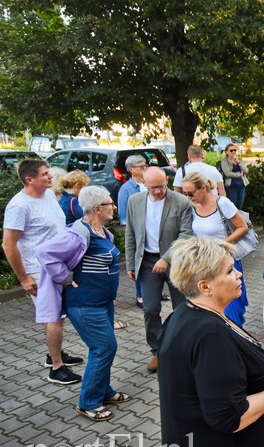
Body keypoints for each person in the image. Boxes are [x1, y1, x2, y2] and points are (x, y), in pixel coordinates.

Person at [158, 237, 264, 447]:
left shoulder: (185, 314)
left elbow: (215, 376)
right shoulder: (210, 334)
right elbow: (230, 417)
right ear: (204, 286)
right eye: (230, 271)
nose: (240, 273)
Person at [36, 186, 130, 421]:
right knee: (104, 348)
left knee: (105, 349)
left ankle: (104, 391)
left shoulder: (102, 232)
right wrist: (66, 278)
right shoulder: (78, 233)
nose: (114, 207)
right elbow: (45, 253)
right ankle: (88, 402)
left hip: (103, 302)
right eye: (110, 203)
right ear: (97, 209)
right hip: (85, 305)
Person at [2, 159, 82, 385]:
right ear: (30, 180)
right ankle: (57, 368)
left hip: (58, 266)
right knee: (53, 317)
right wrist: (24, 278)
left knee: (58, 316)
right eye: (45, 174)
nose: (50, 176)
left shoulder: (47, 195)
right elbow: (9, 245)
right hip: (39, 270)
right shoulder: (19, 206)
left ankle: (54, 354)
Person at [125, 167, 194, 373]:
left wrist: (166, 257)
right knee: (151, 309)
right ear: (144, 184)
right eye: (153, 187)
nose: (158, 191)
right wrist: (130, 263)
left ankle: (182, 348)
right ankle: (157, 351)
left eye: (162, 186)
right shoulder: (135, 201)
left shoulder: (180, 201)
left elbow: (186, 234)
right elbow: (131, 233)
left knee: (182, 308)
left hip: (176, 262)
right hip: (147, 263)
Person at [180, 172, 250, 326]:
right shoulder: (193, 206)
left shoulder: (222, 203)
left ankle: (236, 337)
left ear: (203, 188)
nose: (188, 197)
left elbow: (242, 227)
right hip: (205, 265)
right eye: (185, 194)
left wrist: (221, 245)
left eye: (190, 193)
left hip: (225, 262)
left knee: (230, 308)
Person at [118, 154, 148, 310]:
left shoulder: (147, 184)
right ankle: (140, 294)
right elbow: (124, 218)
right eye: (141, 166)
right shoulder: (126, 189)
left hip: (151, 231)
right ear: (131, 170)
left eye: (145, 165)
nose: (145, 168)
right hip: (137, 233)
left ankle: (151, 292)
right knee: (139, 263)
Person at [220, 144, 249, 209]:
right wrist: (239, 174)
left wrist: (238, 162)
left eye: (235, 150)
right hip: (231, 186)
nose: (233, 152)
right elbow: (227, 173)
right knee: (232, 206)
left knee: (239, 206)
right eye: (231, 150)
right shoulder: (225, 161)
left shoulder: (240, 160)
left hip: (241, 185)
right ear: (226, 152)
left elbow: (246, 171)